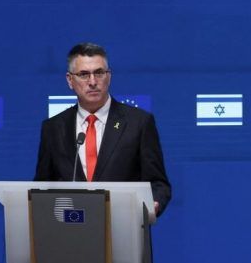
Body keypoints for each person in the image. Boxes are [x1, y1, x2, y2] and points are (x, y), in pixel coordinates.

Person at [34, 42, 171, 216]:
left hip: (124, 226)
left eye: (99, 73)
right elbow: (42, 186)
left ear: (109, 76)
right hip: (70, 227)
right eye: (83, 74)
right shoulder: (53, 128)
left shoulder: (139, 123)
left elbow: (158, 184)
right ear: (70, 80)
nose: (92, 82)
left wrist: (154, 203)